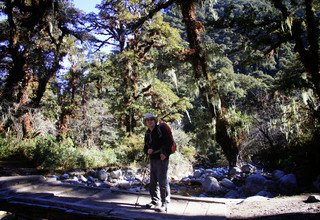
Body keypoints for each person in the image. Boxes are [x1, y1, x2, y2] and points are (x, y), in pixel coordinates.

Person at [143, 113, 172, 212]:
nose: (149, 121)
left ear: (155, 120)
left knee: (162, 181)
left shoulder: (161, 129)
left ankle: (164, 203)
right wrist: (147, 151)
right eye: (147, 120)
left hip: (162, 158)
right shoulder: (147, 133)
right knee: (153, 181)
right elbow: (145, 147)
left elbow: (169, 142)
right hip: (153, 159)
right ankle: (155, 200)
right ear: (145, 123)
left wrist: (166, 154)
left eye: (151, 119)